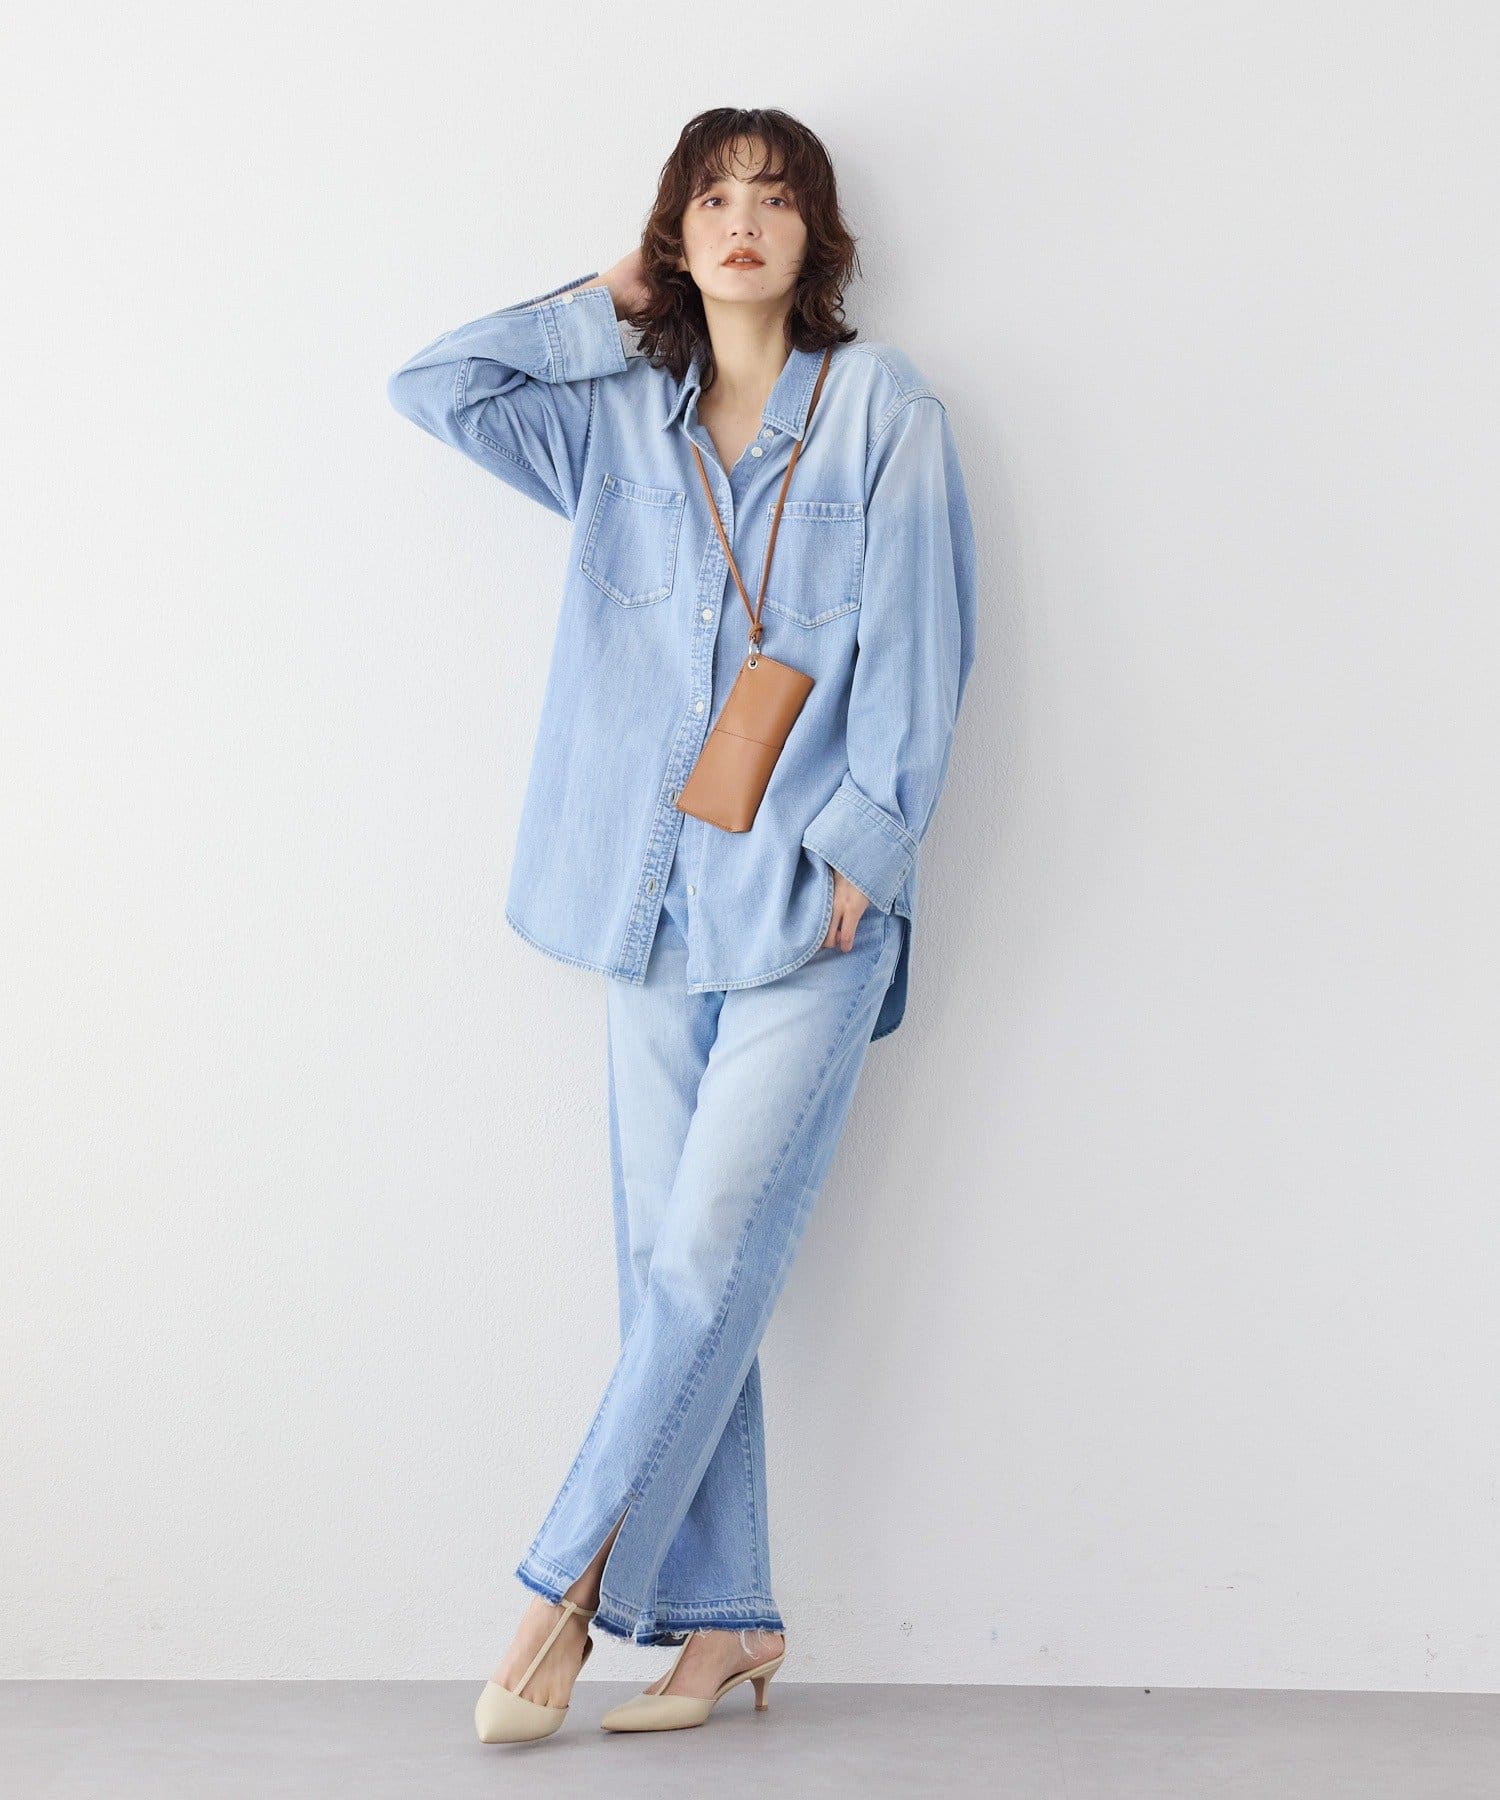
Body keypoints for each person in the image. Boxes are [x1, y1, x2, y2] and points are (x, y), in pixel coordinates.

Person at [386, 106, 978, 1744]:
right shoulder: (615, 427)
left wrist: (868, 852)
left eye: (774, 198)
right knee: (670, 1278)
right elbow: (435, 389)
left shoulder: (880, 411)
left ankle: (559, 1595)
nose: (742, 221)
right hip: (642, 911)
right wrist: (606, 301)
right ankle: (727, 1622)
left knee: (709, 1254)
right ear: (674, 235)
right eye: (711, 199)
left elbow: (927, 644)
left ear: (818, 239)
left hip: (808, 908)